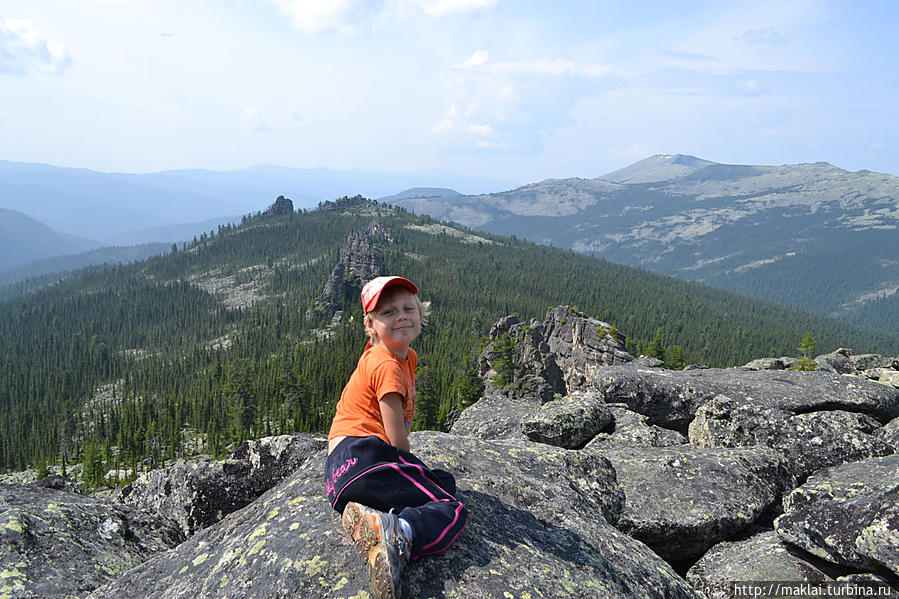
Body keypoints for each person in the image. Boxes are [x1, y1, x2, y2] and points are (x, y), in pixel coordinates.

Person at [325, 276, 468, 599]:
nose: (402, 316)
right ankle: (400, 533)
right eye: (388, 312)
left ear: (420, 313)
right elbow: (396, 441)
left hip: (339, 477)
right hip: (366, 455)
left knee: (441, 480)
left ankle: (372, 519)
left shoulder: (393, 357)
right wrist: (409, 461)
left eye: (408, 308)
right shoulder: (388, 366)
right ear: (371, 326)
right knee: (452, 507)